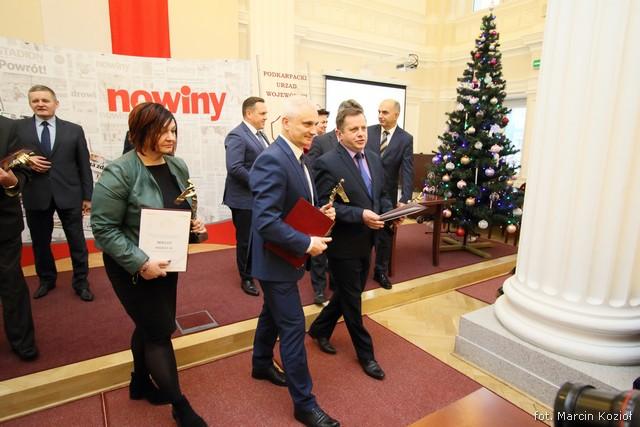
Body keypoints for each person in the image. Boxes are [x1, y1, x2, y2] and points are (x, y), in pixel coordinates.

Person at [91, 103, 207, 427]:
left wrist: (194, 226)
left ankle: (140, 382)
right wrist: (141, 263)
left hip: (167, 263)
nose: (172, 137)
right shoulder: (120, 172)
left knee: (148, 325)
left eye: (174, 131)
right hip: (131, 268)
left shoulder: (177, 165)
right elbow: (103, 228)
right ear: (142, 132)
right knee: (158, 332)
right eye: (163, 131)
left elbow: (180, 208)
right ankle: (180, 406)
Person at [249, 96, 339, 427]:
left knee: (271, 313)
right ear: (285, 123)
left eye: (315, 124)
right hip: (275, 259)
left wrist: (319, 214)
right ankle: (304, 404)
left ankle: (260, 362)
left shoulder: (298, 155)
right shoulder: (273, 159)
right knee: (293, 327)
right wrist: (306, 242)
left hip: (284, 256)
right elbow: (266, 221)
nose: (314, 130)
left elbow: (291, 204)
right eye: (306, 124)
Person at [308, 104, 393, 381]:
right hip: (343, 244)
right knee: (353, 300)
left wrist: (390, 212)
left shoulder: (374, 158)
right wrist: (360, 215)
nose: (361, 134)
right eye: (353, 129)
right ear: (339, 133)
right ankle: (366, 355)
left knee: (347, 292)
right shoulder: (327, 163)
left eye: (363, 128)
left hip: (368, 240)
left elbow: (381, 195)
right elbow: (326, 207)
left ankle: (319, 329)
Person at [15, 85, 94, 301]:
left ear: (56, 103)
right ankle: (46, 280)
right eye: (35, 100)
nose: (40, 104)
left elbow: (84, 165)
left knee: (77, 242)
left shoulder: (74, 130)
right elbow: (8, 157)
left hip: (70, 194)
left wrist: (88, 197)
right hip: (35, 195)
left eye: (45, 100)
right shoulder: (18, 128)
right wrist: (25, 159)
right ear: (30, 103)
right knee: (40, 243)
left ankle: (81, 282)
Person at [307, 101, 362, 305]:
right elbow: (311, 169)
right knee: (321, 248)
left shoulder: (360, 145)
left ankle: (335, 284)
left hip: (347, 204)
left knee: (339, 249)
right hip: (325, 202)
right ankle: (319, 289)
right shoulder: (321, 141)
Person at [223, 96, 269, 297]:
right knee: (245, 240)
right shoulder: (237, 135)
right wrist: (259, 184)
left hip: (258, 198)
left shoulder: (261, 134)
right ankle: (246, 277)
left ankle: (255, 268)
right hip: (243, 199)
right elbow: (234, 167)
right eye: (262, 113)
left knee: (258, 237)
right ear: (249, 114)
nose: (266, 117)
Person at [0, 115, 38, 361]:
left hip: (3, 224)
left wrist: (12, 182)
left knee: (11, 282)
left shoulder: (7, 127)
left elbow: (23, 171)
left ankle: (23, 342)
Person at [366, 99, 414, 290]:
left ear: (396, 114)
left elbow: (408, 170)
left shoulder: (405, 139)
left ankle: (380, 271)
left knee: (385, 234)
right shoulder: (368, 131)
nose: (380, 116)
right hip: (365, 190)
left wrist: (405, 198)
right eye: (379, 111)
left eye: (385, 112)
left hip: (388, 194)